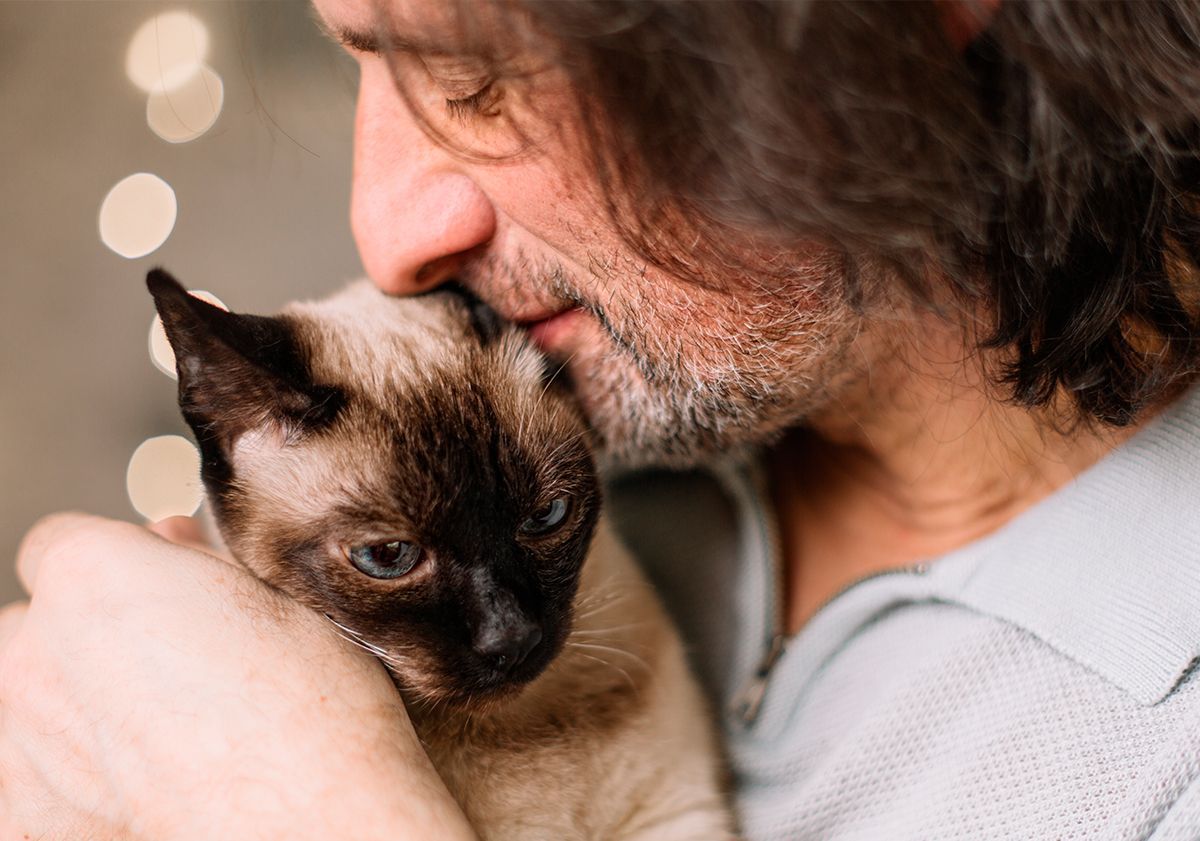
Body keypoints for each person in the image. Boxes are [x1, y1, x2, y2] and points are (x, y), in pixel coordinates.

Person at [4, 1, 1200, 837]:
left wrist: (292, 795)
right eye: (364, 63)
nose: (387, 229)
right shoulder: (602, 421)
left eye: (481, 79)